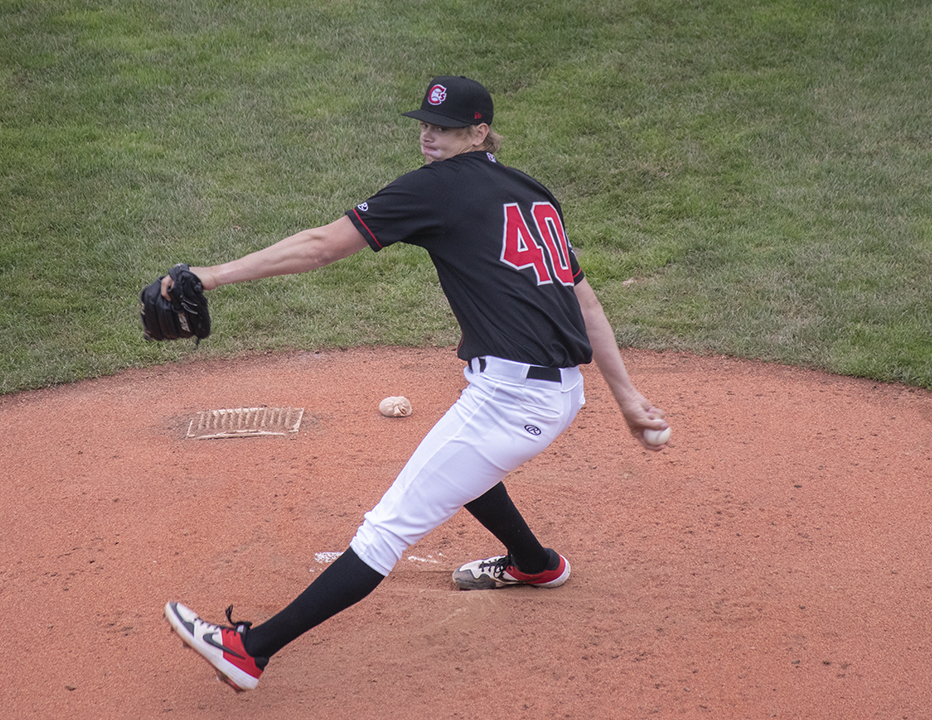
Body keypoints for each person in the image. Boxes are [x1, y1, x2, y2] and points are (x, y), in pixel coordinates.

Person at [163, 75, 670, 692]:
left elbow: (322, 247)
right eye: (425, 125)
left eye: (445, 128)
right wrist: (625, 396)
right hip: (555, 393)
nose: (430, 137)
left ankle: (250, 651)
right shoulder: (531, 191)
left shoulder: (436, 188)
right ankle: (535, 564)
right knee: (459, 463)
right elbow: (583, 300)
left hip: (512, 401)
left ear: (479, 132)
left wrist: (209, 276)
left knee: (387, 529)